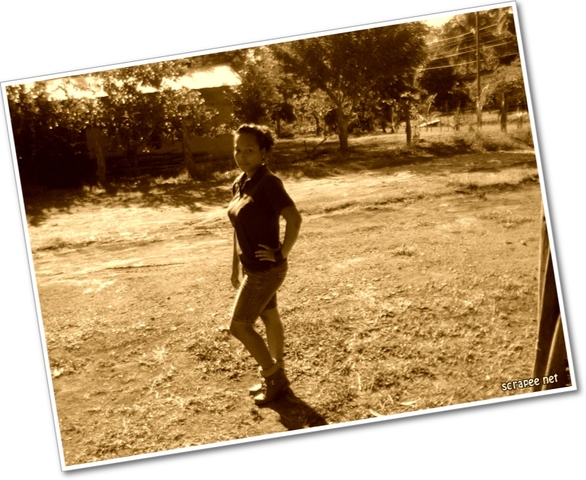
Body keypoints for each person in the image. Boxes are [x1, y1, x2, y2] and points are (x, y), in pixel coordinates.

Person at [227, 124, 302, 405]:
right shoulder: (241, 182)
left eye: (249, 150)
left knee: (239, 326)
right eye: (237, 149)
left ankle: (273, 377)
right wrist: (235, 267)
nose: (242, 156)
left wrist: (281, 253)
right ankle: (277, 369)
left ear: (263, 153)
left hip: (265, 271)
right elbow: (238, 226)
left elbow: (294, 219)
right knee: (269, 317)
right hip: (251, 267)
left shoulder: (269, 183)